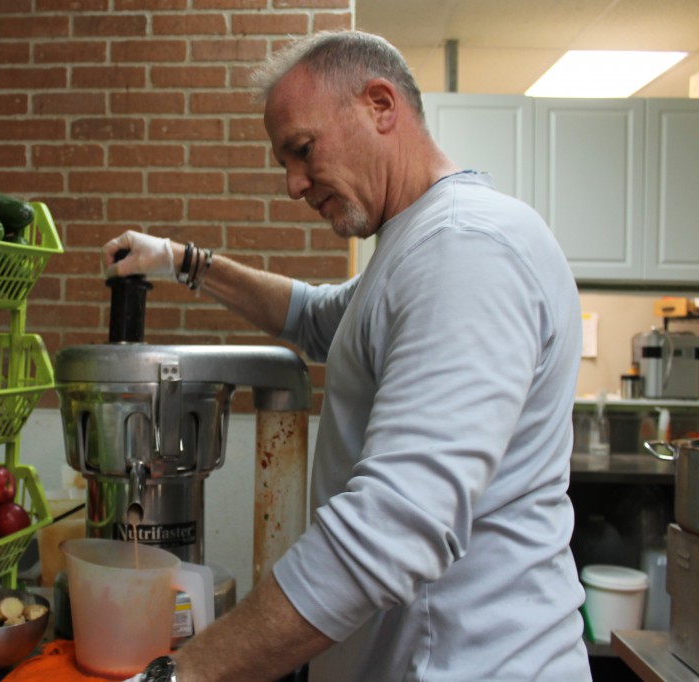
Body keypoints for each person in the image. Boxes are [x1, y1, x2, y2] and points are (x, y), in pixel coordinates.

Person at [106, 30, 590, 682]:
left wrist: (180, 674)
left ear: (381, 106)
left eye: (302, 151)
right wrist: (180, 260)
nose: (293, 184)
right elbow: (314, 316)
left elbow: (390, 529)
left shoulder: (464, 251)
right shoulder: (418, 243)